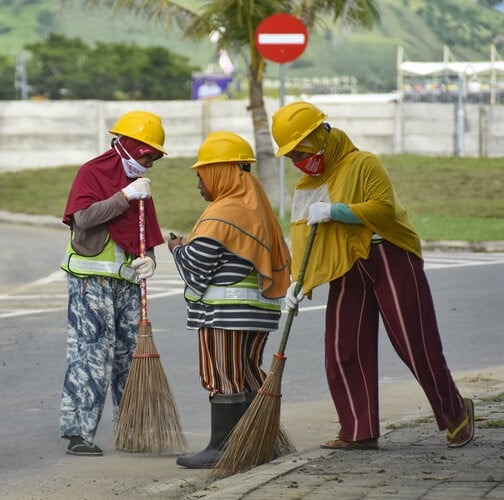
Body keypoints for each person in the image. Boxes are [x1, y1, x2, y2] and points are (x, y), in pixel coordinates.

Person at [271, 101, 474, 450]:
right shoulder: (308, 186)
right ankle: (358, 431)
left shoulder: (365, 163)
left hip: (390, 256)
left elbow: (383, 208)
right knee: (342, 348)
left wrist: (337, 210)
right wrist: (298, 282)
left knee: (414, 343)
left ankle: (456, 412)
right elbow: (305, 235)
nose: (298, 161)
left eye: (300, 151)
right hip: (346, 265)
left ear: (321, 135)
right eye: (291, 156)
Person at [167, 132, 291, 468]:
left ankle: (222, 448)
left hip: (224, 313)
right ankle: (259, 443)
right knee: (249, 373)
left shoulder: (223, 212)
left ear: (219, 172)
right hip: (259, 312)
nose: (198, 184)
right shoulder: (258, 206)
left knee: (222, 375)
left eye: (201, 175)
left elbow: (196, 266)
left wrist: (177, 248)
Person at [59, 110, 166, 456]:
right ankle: (79, 434)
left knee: (129, 360)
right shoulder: (92, 172)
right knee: (89, 357)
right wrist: (124, 196)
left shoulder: (141, 185)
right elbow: (84, 217)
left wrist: (149, 258)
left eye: (155, 158)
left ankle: (132, 431)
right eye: (148, 154)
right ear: (130, 146)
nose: (150, 163)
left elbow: (143, 231)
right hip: (91, 283)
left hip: (128, 285)